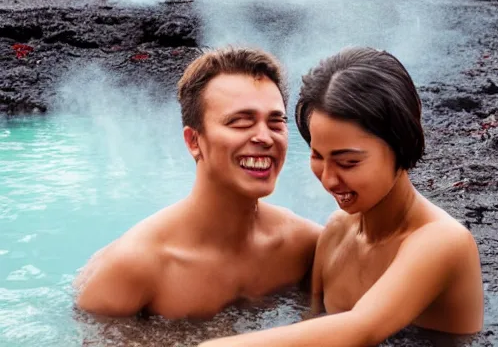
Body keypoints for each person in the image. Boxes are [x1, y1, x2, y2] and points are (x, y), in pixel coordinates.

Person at [199, 47, 484, 347]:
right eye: (318, 156)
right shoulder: (336, 233)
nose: (329, 179)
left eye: (348, 162)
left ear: (401, 142)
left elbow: (360, 329)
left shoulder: (444, 242)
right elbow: (313, 330)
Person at [74, 46, 322, 319]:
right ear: (193, 141)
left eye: (276, 123)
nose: (265, 137)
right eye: (240, 122)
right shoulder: (133, 268)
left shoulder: (305, 246)